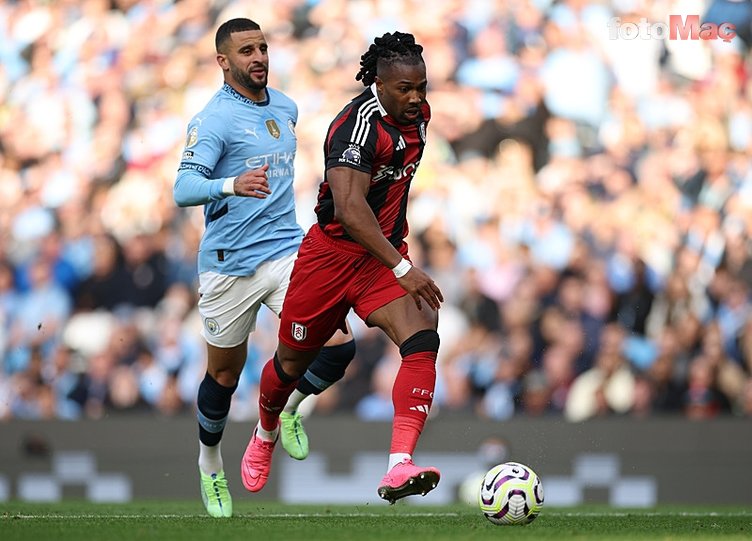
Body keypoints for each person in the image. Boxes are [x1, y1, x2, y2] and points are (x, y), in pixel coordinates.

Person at [241, 31, 444, 504]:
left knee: (423, 333)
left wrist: (393, 262)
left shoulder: (420, 117)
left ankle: (399, 465)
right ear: (378, 82)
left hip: (380, 258)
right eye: (404, 89)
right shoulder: (354, 125)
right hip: (330, 260)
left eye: (422, 87)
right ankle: (267, 429)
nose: (415, 98)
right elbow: (350, 212)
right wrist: (401, 268)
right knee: (291, 363)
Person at [173, 18, 355, 518]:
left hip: (286, 252)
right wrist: (231, 185)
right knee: (224, 377)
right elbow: (182, 189)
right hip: (230, 266)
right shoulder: (212, 120)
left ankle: (283, 415)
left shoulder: (285, 106)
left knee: (339, 346)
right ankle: (210, 461)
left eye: (262, 48)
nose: (258, 57)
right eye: (246, 51)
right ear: (223, 62)